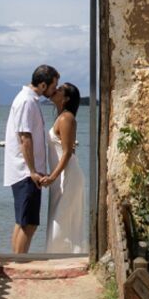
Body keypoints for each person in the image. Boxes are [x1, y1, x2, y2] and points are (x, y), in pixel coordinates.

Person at [4, 63, 59, 254]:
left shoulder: (30, 100)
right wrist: (33, 171)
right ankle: (19, 264)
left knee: (23, 221)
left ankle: (15, 261)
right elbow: (25, 138)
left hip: (24, 171)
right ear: (43, 85)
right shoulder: (26, 102)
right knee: (29, 224)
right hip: (25, 172)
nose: (54, 91)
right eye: (53, 86)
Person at [43, 82, 87, 255]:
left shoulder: (66, 118)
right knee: (61, 221)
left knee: (61, 223)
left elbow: (68, 152)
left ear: (66, 98)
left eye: (60, 89)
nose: (55, 90)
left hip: (68, 175)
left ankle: (62, 260)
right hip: (61, 176)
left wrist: (52, 177)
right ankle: (61, 258)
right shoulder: (62, 117)